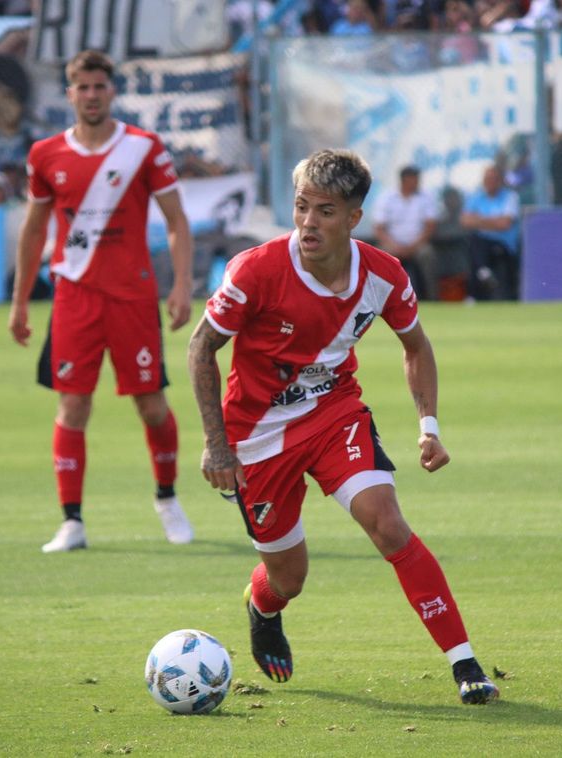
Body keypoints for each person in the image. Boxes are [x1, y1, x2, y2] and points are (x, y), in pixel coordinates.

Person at [187, 149, 500, 705]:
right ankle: (262, 606)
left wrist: (428, 424)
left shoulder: (383, 274)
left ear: (354, 217)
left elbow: (416, 345)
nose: (309, 222)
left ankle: (465, 664)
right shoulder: (255, 270)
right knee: (289, 578)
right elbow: (201, 347)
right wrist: (216, 445)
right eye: (302, 207)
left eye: (325, 211)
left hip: (334, 415)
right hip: (256, 436)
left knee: (388, 524)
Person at [8, 49, 195, 553]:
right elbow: (33, 230)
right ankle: (72, 522)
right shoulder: (46, 154)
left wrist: (181, 285)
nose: (91, 96)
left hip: (133, 297)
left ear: (112, 92)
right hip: (75, 298)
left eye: (99, 87)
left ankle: (167, 498)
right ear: (69, 94)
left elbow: (177, 222)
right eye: (81, 87)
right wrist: (21, 301)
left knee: (152, 405)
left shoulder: (143, 147)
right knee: (73, 405)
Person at [372, 165, 439, 300]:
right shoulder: (387, 197)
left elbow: (430, 226)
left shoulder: (426, 196)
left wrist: (413, 246)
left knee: (428, 255)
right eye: (413, 179)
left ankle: (432, 298)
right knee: (378, 258)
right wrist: (394, 245)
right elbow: (379, 228)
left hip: (418, 244)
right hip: (392, 244)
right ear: (404, 180)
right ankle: (378, 299)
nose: (416, 183)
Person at [461, 164, 521, 301]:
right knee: (474, 241)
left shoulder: (510, 197)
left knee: (477, 244)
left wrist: (479, 219)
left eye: (493, 179)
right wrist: (493, 221)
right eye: (487, 179)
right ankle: (483, 272)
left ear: (500, 180)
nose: (489, 182)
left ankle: (477, 286)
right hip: (481, 242)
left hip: (503, 244)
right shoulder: (476, 197)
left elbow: (505, 224)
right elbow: (465, 221)